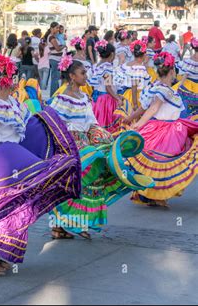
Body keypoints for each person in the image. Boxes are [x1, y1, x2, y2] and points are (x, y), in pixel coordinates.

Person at [0, 53, 82, 272]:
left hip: (13, 157)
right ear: (5, 78)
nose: (16, 81)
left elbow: (27, 125)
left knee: (14, 205)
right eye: (13, 76)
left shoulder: (10, 101)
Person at [49, 56, 153, 239]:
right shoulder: (62, 98)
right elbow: (55, 124)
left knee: (92, 181)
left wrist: (103, 136)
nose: (86, 76)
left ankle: (80, 223)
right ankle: (59, 226)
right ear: (72, 76)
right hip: (70, 145)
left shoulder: (83, 97)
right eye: (82, 73)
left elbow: (91, 122)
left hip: (86, 141)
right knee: (72, 183)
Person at [128, 52, 198, 207]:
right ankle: (155, 194)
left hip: (161, 127)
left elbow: (143, 108)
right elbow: (153, 108)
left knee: (156, 164)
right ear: (172, 71)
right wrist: (139, 124)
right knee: (162, 163)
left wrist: (130, 118)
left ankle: (150, 194)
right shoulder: (164, 90)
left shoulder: (157, 86)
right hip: (166, 130)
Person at [90, 40, 122, 133]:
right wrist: (117, 98)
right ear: (112, 54)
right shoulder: (107, 67)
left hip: (96, 98)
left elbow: (93, 84)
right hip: (106, 100)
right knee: (107, 125)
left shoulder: (96, 66)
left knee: (97, 123)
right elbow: (108, 87)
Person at [115, 39, 151, 111]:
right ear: (144, 54)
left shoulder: (127, 64)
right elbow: (134, 86)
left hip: (126, 95)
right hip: (135, 97)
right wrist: (135, 104)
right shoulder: (139, 68)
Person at [176, 37, 198, 118]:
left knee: (187, 103)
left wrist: (180, 84)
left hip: (189, 84)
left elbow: (186, 74)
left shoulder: (190, 59)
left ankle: (189, 118)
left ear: (192, 47)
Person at [44, 21, 66, 97]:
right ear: (51, 28)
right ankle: (53, 96)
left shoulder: (54, 37)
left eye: (58, 28)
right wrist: (64, 46)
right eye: (56, 28)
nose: (58, 29)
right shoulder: (51, 37)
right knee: (55, 79)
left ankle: (55, 95)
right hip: (55, 59)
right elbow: (58, 49)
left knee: (55, 79)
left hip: (56, 59)